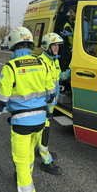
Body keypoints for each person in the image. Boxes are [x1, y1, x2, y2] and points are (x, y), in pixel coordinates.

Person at [0, 27, 56, 192]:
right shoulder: (42, 63)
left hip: (21, 123)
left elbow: (1, 100)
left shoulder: (10, 67)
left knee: (21, 161)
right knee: (30, 155)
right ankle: (25, 178)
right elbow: (51, 94)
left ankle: (26, 187)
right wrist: (44, 109)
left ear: (12, 44)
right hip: (40, 121)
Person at [36, 33, 71, 176]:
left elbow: (59, 77)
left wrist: (70, 72)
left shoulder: (54, 61)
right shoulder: (40, 62)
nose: (57, 48)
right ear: (46, 46)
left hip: (51, 103)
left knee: (43, 129)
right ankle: (45, 161)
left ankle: (41, 150)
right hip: (43, 104)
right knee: (44, 131)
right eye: (54, 45)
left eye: (57, 45)